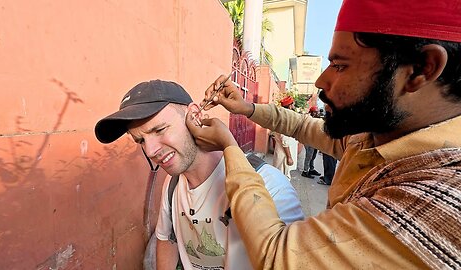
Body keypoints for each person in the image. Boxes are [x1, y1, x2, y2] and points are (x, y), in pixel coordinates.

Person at [186, 0, 461, 268]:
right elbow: (301, 127)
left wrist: (229, 148)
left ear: (421, 69)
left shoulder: (438, 201)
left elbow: (275, 255)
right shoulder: (377, 137)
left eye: (341, 66)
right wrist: (247, 108)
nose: (321, 81)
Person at [94, 80, 304, 269]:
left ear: (194, 115)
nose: (150, 151)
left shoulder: (270, 186)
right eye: (140, 140)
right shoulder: (173, 183)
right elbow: (167, 238)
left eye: (159, 130)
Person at [272, 96, 298, 179]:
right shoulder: (285, 120)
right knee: (283, 178)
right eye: (293, 104)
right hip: (284, 156)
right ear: (290, 106)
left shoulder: (282, 117)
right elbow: (285, 141)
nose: (294, 106)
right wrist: (289, 157)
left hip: (282, 153)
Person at [301, 106, 322, 178]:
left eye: (317, 112)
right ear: (312, 112)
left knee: (313, 156)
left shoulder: (316, 118)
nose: (317, 113)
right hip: (308, 140)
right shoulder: (308, 119)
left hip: (314, 140)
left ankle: (311, 169)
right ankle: (305, 171)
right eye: (315, 112)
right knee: (309, 156)